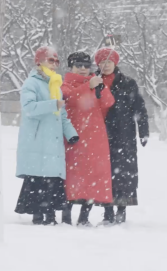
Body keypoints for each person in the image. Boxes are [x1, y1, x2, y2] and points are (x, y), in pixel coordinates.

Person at [15, 46, 79, 226]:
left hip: (53, 141)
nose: (54, 64)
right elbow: (29, 108)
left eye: (56, 61)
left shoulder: (55, 84)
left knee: (51, 179)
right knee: (37, 178)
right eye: (50, 60)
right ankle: (37, 215)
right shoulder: (31, 83)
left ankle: (50, 215)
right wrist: (53, 104)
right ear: (39, 62)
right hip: (37, 140)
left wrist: (71, 134)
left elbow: (62, 114)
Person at [95, 47, 150, 225]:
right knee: (104, 173)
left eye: (109, 62)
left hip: (123, 135)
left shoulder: (128, 83)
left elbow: (139, 109)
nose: (106, 65)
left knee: (123, 174)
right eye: (102, 62)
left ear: (115, 63)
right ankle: (107, 211)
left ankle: (121, 210)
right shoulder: (93, 81)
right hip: (99, 135)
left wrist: (143, 132)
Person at [60, 52, 115, 226]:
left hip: (95, 137)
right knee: (71, 176)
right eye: (78, 65)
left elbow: (108, 103)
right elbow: (70, 98)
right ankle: (66, 215)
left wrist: (101, 89)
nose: (83, 69)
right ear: (71, 67)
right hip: (74, 136)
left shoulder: (95, 81)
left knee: (93, 176)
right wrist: (87, 87)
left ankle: (84, 215)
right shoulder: (64, 83)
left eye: (86, 66)